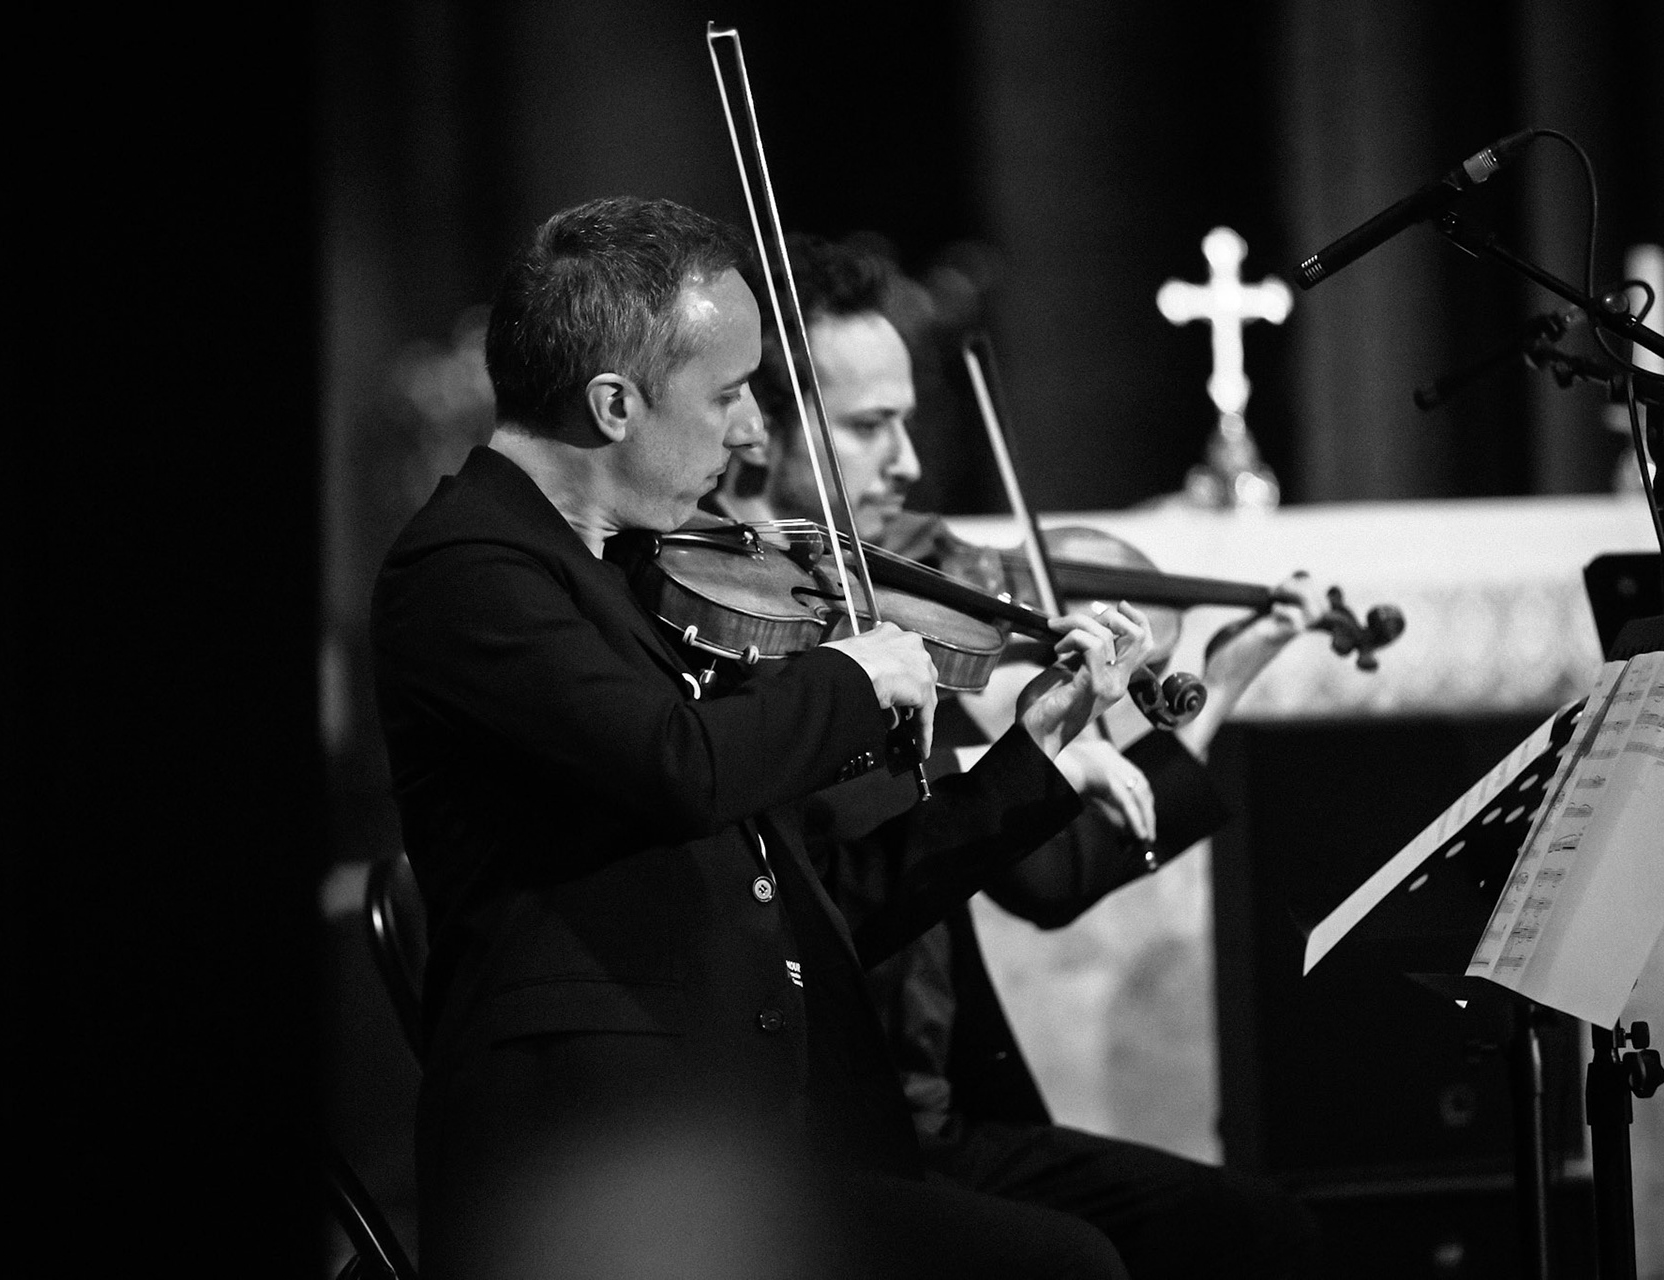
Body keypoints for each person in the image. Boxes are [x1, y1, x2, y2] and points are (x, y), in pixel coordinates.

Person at [369, 196, 1168, 1280]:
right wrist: (851, 670)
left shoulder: (624, 573)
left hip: (728, 1150)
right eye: (731, 393)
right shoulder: (470, 572)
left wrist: (1030, 758)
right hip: (591, 1166)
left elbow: (833, 901)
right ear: (614, 404)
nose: (753, 432)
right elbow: (677, 764)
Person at [707, 232, 1327, 1278]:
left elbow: (1049, 875)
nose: (906, 463)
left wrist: (1218, 685)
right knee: (1078, 1260)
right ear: (759, 428)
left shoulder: (890, 604)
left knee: (1260, 1226)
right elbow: (847, 882)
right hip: (826, 1140)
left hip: (941, 1118)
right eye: (869, 427)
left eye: (906, 421)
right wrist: (991, 763)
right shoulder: (746, 651)